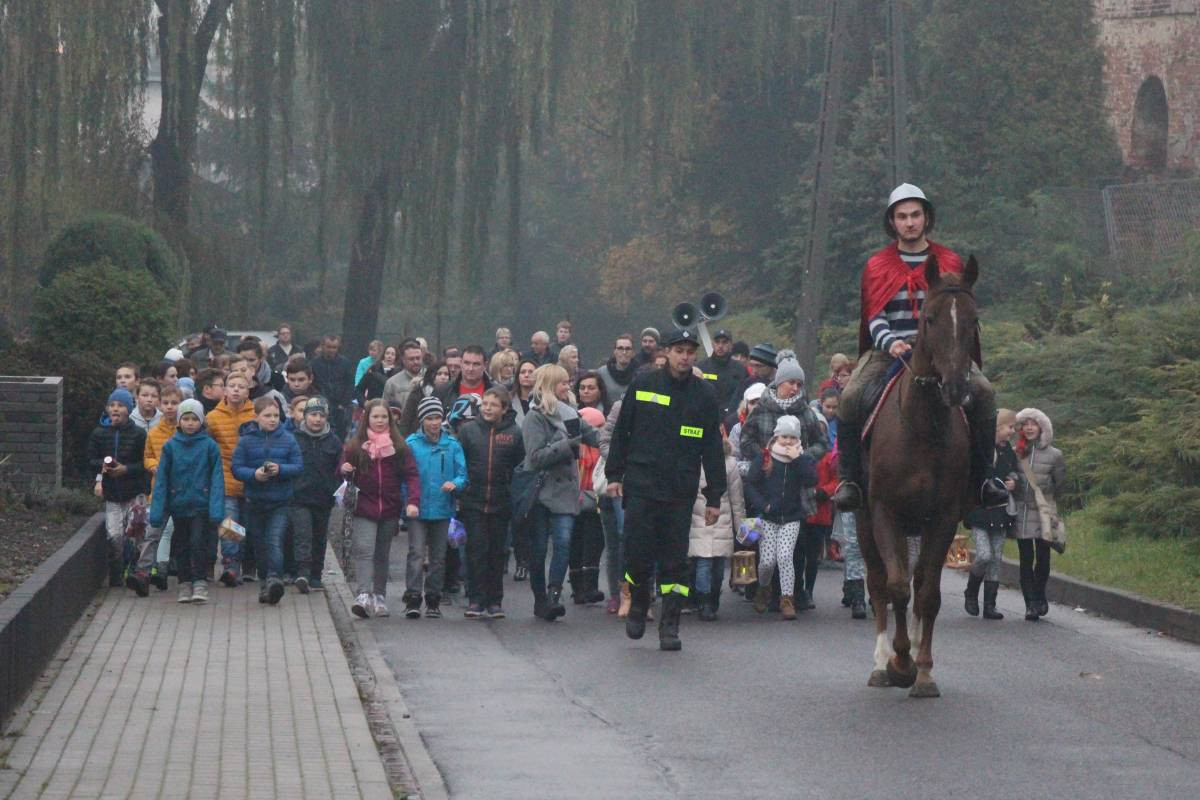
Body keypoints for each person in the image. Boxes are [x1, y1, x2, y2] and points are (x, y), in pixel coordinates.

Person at [833, 183, 1006, 512]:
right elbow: (875, 314)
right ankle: (850, 480)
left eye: (915, 215)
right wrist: (891, 342)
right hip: (890, 349)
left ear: (926, 218)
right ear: (892, 222)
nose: (909, 222)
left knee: (983, 392)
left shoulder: (949, 262)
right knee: (852, 395)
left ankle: (984, 479)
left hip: (943, 352)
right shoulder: (877, 265)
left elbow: (961, 312)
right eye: (902, 217)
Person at [606, 326, 725, 651]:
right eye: (679, 351)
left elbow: (713, 447)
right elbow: (622, 432)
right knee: (637, 555)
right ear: (666, 353)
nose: (685, 357)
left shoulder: (703, 395)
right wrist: (614, 474)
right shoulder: (643, 384)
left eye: (690, 352)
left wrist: (715, 495)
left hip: (679, 491)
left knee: (675, 563)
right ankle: (640, 604)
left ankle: (670, 625)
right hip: (642, 486)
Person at [522, 364, 601, 622]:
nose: (568, 387)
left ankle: (554, 594)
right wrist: (567, 445)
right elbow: (534, 458)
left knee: (564, 544)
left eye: (568, 382)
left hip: (565, 491)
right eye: (563, 383)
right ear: (549, 385)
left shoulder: (571, 414)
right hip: (541, 491)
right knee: (538, 548)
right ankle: (539, 598)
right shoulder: (534, 417)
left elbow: (596, 438)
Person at [342, 398, 422, 618]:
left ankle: (379, 595)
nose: (379, 420)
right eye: (375, 416)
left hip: (389, 507)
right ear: (367, 418)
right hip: (364, 506)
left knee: (381, 553)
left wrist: (413, 501)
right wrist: (345, 469)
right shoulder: (356, 445)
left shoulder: (399, 446)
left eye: (383, 417)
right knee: (364, 550)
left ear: (390, 419)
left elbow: (411, 475)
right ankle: (363, 594)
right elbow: (341, 471)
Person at [148, 399, 225, 604]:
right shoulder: (171, 447)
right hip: (179, 504)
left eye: (194, 419)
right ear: (179, 421)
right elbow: (162, 480)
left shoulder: (210, 446)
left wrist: (216, 509)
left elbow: (217, 478)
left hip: (201, 503)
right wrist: (157, 511)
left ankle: (199, 581)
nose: (190, 423)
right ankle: (184, 582)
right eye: (186, 419)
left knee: (198, 542)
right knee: (180, 544)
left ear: (201, 421)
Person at [458, 386, 525, 619]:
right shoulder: (468, 431)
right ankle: (476, 598)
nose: (488, 408)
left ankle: (495, 600)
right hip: (473, 501)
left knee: (498, 552)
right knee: (476, 549)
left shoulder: (515, 433)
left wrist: (513, 493)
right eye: (485, 404)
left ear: (504, 408)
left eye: (494, 405)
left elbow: (520, 466)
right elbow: (461, 464)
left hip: (501, 501)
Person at [744, 415, 818, 620]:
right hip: (769, 517)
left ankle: (787, 599)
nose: (787, 441)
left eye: (792, 437)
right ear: (776, 436)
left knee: (785, 557)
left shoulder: (802, 458)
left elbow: (812, 479)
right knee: (767, 562)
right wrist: (763, 505)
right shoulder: (765, 457)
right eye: (784, 436)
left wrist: (798, 459)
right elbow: (751, 483)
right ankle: (764, 588)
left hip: (792, 517)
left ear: (798, 439)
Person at [232, 396, 303, 605]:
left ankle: (275, 578)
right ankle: (265, 582)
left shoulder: (288, 439)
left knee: (274, 540)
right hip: (254, 501)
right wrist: (254, 474)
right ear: (257, 416)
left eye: (275, 415)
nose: (272, 420)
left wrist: (280, 470)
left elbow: (298, 466)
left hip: (280, 502)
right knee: (259, 546)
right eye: (267, 416)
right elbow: (236, 468)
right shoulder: (246, 439)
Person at [404, 397, 467, 619]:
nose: (433, 423)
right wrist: (408, 502)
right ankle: (412, 597)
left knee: (439, 556)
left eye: (437, 418)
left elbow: (462, 474)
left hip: (442, 508)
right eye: (429, 418)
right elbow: (405, 476)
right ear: (422, 419)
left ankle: (433, 597)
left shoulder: (451, 445)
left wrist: (455, 484)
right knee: (417, 553)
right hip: (418, 509)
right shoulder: (411, 444)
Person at [88, 388, 150, 591]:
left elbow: (144, 464)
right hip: (112, 493)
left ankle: (134, 569)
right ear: (107, 408)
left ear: (129, 409)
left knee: (136, 533)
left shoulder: (139, 434)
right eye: (112, 405)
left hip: (134, 491)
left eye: (121, 405)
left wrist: (126, 469)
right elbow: (90, 460)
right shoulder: (99, 433)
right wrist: (103, 467)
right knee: (114, 536)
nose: (116, 409)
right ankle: (116, 575)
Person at [964, 408, 1021, 621]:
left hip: (1001, 509)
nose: (1012, 432)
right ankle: (971, 592)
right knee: (984, 555)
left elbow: (1013, 470)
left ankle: (990, 604)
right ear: (997, 428)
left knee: (996, 557)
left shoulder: (1008, 451)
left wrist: (1014, 481)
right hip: (980, 509)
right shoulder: (982, 449)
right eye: (1009, 427)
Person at [1014, 407, 1066, 621]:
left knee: (1043, 558)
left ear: (1042, 427)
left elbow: (1060, 484)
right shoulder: (1015, 452)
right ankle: (1030, 604)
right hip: (1022, 512)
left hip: (1044, 513)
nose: (1029, 427)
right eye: (1025, 424)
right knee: (1025, 559)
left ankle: (1040, 595)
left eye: (1033, 423)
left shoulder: (1055, 455)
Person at [688, 432, 745, 621]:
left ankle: (711, 597)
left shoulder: (729, 464)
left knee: (718, 565)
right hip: (700, 517)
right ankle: (705, 601)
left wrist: (741, 526)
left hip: (721, 518)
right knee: (704, 563)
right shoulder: (692, 460)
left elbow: (737, 499)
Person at [289, 396, 343, 593]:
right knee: (303, 534)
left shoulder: (334, 441)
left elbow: (338, 470)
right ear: (305, 417)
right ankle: (301, 572)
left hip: (323, 498)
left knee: (319, 537)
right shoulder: (294, 438)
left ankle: (315, 575)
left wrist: (337, 489)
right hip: (299, 497)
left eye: (321, 415)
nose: (317, 419)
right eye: (313, 415)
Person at [207, 372, 257, 585]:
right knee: (229, 524)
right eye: (232, 385)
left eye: (241, 386)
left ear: (248, 391)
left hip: (251, 480)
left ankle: (247, 565)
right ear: (225, 390)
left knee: (247, 525)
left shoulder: (257, 415)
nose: (236, 389)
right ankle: (230, 565)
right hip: (225, 479)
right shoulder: (212, 418)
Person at [139, 384, 183, 591]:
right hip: (159, 489)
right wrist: (153, 466)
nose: (170, 407)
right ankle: (145, 571)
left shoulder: (186, 431)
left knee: (173, 530)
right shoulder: (154, 433)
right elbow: (147, 456)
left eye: (174, 403)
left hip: (183, 490)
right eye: (165, 403)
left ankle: (164, 566)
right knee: (154, 529)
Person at [569, 406, 607, 605]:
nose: (599, 430)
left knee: (594, 543)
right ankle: (577, 588)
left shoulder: (602, 447)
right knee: (575, 543)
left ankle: (591, 586)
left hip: (596, 500)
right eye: (596, 426)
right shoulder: (576, 447)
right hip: (575, 500)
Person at [311, 334, 356, 438]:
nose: (331, 350)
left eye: (334, 347)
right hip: (321, 406)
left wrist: (343, 404)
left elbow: (350, 384)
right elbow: (312, 384)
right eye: (328, 347)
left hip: (340, 407)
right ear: (323, 346)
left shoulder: (345, 363)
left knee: (340, 436)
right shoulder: (314, 363)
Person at [697, 328, 743, 416]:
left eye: (724, 342)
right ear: (712, 343)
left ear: (731, 345)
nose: (720, 346)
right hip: (708, 415)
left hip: (733, 416)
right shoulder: (701, 367)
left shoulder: (740, 369)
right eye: (717, 342)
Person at [398, 361, 449, 436]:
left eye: (446, 374)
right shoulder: (418, 393)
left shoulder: (451, 394)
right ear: (431, 375)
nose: (443, 377)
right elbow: (406, 421)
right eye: (439, 374)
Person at [730, 343, 776, 413]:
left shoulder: (781, 386)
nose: (754, 371)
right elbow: (733, 410)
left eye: (758, 366)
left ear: (771, 366)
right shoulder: (747, 383)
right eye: (752, 365)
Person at [382, 339, 426, 413]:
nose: (415, 362)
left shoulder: (432, 378)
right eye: (411, 359)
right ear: (403, 360)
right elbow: (385, 410)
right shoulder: (392, 383)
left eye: (418, 358)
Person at [595, 334, 637, 404]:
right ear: (615, 351)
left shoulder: (641, 374)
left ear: (633, 352)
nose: (624, 352)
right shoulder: (601, 373)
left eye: (628, 349)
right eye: (620, 348)